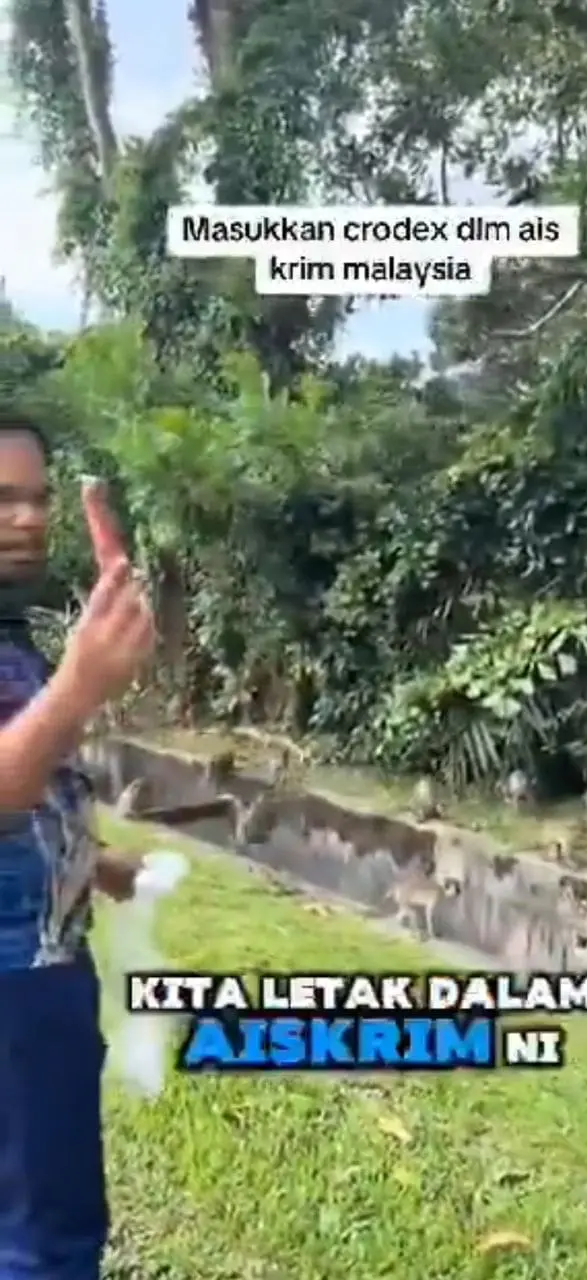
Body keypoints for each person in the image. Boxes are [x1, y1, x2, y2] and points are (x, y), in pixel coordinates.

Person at [0, 410, 156, 1279]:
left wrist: (90, 863)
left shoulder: (10, 640)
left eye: (37, 499)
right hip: (11, 993)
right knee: (41, 1249)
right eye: (2, 501)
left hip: (43, 983)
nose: (28, 519)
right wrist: (81, 683)